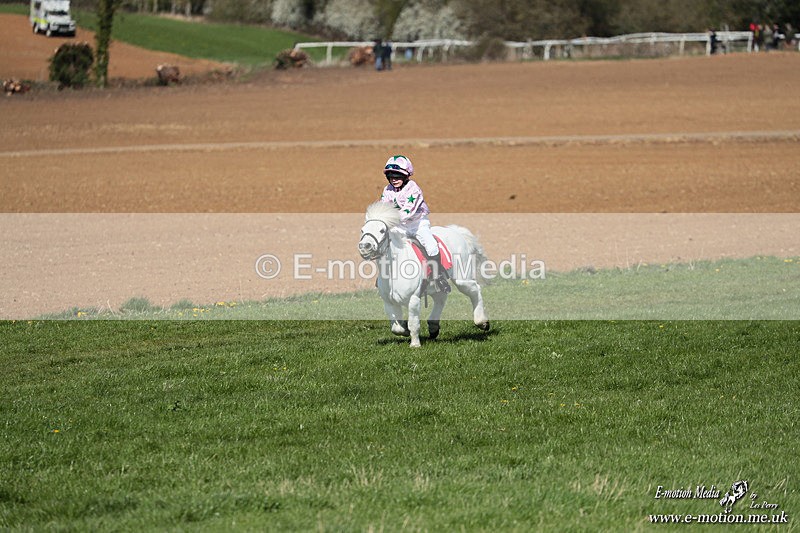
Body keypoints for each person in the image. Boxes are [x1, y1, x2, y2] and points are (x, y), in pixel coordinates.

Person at [379, 155, 450, 293]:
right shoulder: (387, 190)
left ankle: (438, 276)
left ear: (406, 176)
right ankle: (383, 276)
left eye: (398, 175)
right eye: (391, 175)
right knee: (386, 243)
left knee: (431, 246)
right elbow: (383, 207)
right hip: (399, 226)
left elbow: (408, 211)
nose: (394, 178)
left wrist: (390, 219)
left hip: (417, 224)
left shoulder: (413, 189)